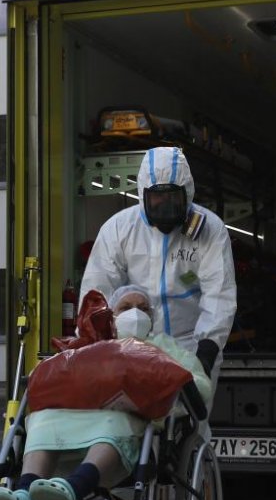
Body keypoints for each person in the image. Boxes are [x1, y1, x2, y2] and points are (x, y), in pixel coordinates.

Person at [0, 285, 213, 500]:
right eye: (126, 308)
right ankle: (24, 497)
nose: (135, 314)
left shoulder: (167, 349)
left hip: (128, 427)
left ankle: (74, 489)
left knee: (114, 420)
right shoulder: (89, 346)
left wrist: (158, 390)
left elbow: (197, 387)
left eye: (143, 308)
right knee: (42, 419)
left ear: (152, 315)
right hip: (71, 423)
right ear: (111, 315)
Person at [82, 146, 236, 381]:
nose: (165, 204)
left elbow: (219, 294)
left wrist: (206, 352)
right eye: (157, 196)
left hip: (192, 347)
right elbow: (97, 292)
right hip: (132, 347)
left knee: (190, 416)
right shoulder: (119, 229)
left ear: (188, 192)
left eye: (173, 197)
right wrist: (95, 345)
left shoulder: (209, 230)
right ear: (143, 193)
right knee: (131, 415)